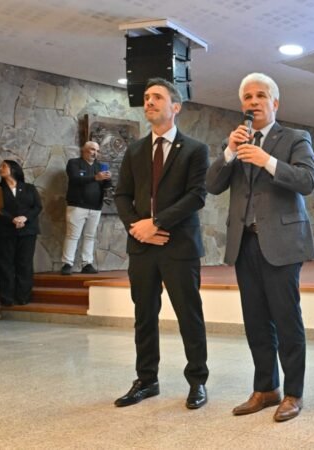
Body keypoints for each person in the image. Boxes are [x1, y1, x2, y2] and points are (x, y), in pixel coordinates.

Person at [206, 73, 314, 422]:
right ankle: (266, 388)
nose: (253, 102)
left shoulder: (296, 138)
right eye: (248, 97)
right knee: (255, 321)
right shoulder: (237, 145)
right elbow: (212, 185)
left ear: (275, 103)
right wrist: (229, 151)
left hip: (282, 244)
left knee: (286, 320)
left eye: (261, 96)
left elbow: (307, 181)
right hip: (245, 244)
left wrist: (266, 161)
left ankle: (294, 393)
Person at [113, 78, 210, 410]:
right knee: (144, 316)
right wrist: (137, 228)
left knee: (189, 316)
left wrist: (156, 223)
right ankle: (146, 380)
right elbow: (122, 195)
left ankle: (197, 381)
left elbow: (197, 196)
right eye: (146, 97)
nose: (149, 102)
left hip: (178, 245)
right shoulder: (135, 150)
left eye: (157, 97)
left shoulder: (195, 149)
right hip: (141, 247)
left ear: (175, 107)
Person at [0, 160, 42, 306]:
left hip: (27, 231)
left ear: (13, 169)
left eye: (3, 166)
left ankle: (23, 296)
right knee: (5, 264)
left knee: (24, 263)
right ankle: (7, 297)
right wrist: (12, 219)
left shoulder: (29, 188)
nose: (0, 168)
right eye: (0, 166)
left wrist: (25, 218)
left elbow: (37, 207)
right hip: (4, 231)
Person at [60, 141, 112, 275]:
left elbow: (107, 184)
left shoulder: (100, 166)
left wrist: (108, 180)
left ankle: (87, 263)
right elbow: (75, 179)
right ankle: (67, 264)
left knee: (90, 236)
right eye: (92, 150)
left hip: (95, 207)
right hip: (77, 206)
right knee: (72, 235)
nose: (95, 153)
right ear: (84, 150)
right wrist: (95, 177)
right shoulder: (74, 163)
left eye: (97, 151)